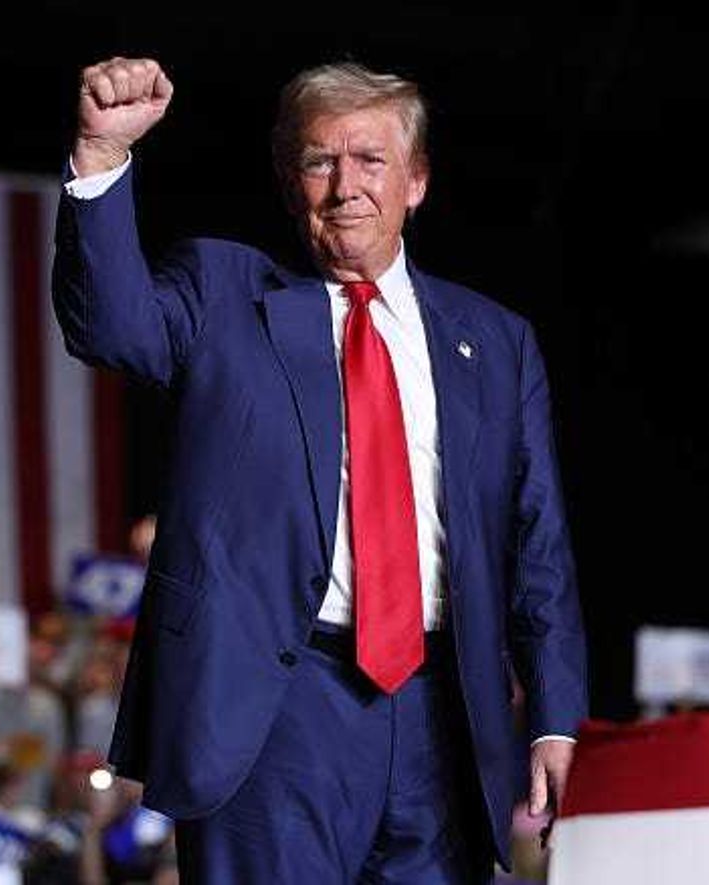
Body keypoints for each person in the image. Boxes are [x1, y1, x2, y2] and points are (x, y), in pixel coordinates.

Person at [51, 57, 587, 883]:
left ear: (416, 181)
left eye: (370, 160)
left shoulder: (496, 342)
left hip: (443, 715)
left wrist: (556, 717)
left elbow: (538, 542)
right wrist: (100, 157)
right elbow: (113, 328)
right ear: (289, 180)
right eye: (318, 161)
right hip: (273, 708)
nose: (346, 187)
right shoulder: (224, 293)